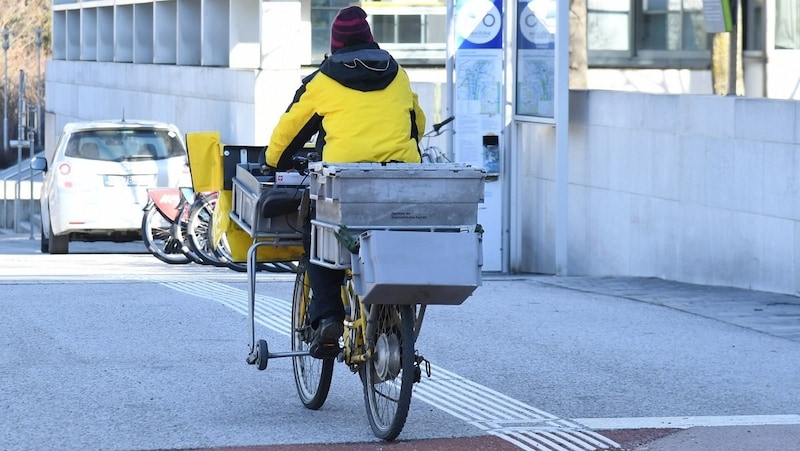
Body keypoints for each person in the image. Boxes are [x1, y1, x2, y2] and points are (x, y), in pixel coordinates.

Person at [264, 5, 426, 359]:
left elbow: (287, 133)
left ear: (335, 44)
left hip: (345, 188)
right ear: (371, 40)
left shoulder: (322, 81)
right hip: (400, 182)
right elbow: (418, 125)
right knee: (396, 229)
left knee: (321, 232)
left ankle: (327, 318)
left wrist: (273, 161)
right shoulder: (397, 74)